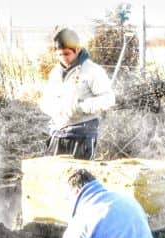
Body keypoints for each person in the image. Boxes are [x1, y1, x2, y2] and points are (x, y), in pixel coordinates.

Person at [39, 28, 115, 160]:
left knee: (79, 177)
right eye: (60, 55)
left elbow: (108, 99)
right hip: (58, 131)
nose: (64, 59)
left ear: (78, 49)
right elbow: (46, 99)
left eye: (67, 54)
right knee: (57, 176)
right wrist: (52, 108)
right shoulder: (55, 73)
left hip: (82, 133)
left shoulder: (92, 71)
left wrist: (82, 106)